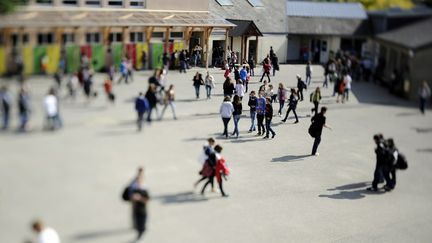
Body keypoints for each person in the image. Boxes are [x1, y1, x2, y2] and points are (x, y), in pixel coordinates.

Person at [129, 167, 150, 241]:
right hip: (136, 209)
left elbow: (147, 199)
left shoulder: (144, 189)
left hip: (142, 209)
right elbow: (126, 196)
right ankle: (138, 230)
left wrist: (140, 198)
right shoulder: (133, 187)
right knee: (137, 222)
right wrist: (132, 197)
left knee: (142, 222)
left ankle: (141, 231)